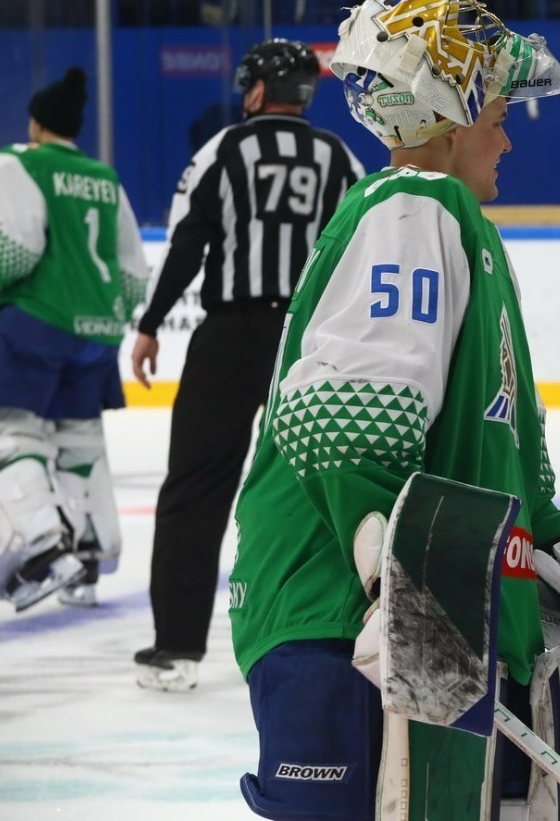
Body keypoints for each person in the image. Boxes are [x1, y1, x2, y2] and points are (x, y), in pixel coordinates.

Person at [229, 0, 560, 820]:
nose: (509, 139)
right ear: (446, 103)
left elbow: (500, 461)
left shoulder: (452, 224)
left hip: (416, 634)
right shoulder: (412, 208)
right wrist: (395, 599)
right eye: (499, 114)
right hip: (346, 629)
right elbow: (344, 429)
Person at [131, 39, 365, 691]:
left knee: (194, 491)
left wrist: (150, 326)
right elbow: (360, 248)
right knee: (315, 492)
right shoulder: (337, 157)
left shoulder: (223, 150)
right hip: (308, 341)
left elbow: (186, 244)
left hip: (229, 338)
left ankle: (176, 651)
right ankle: (328, 632)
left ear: (259, 91)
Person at [0, 67, 148, 612]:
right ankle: (92, 552)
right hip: (97, 333)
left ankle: (40, 547)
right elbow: (132, 271)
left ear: (36, 124)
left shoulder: (19, 163)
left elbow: (16, 246)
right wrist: (107, 318)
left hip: (35, 321)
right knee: (79, 439)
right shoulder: (104, 178)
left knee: (10, 433)